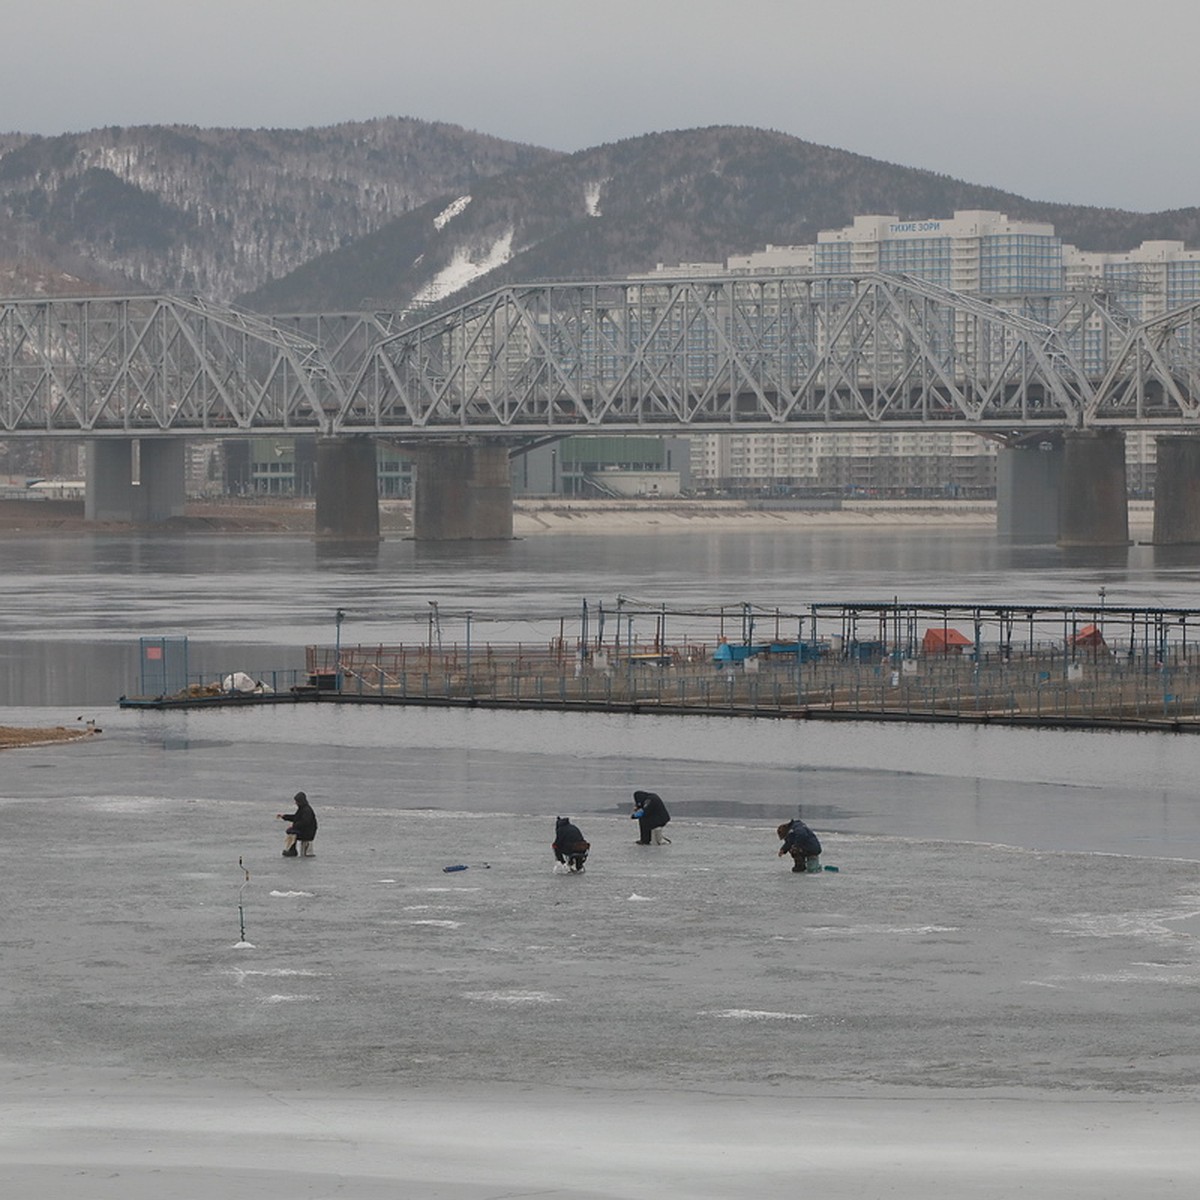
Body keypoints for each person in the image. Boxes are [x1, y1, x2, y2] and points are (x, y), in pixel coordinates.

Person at [277, 791, 318, 857]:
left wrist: (294, 826)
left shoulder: (307, 810)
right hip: (305, 830)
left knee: (292, 832)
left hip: (308, 832)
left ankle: (292, 850)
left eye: (297, 801)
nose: (295, 803)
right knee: (291, 831)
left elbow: (305, 822)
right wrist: (284, 816)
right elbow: (296, 818)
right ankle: (291, 849)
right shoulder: (302, 809)